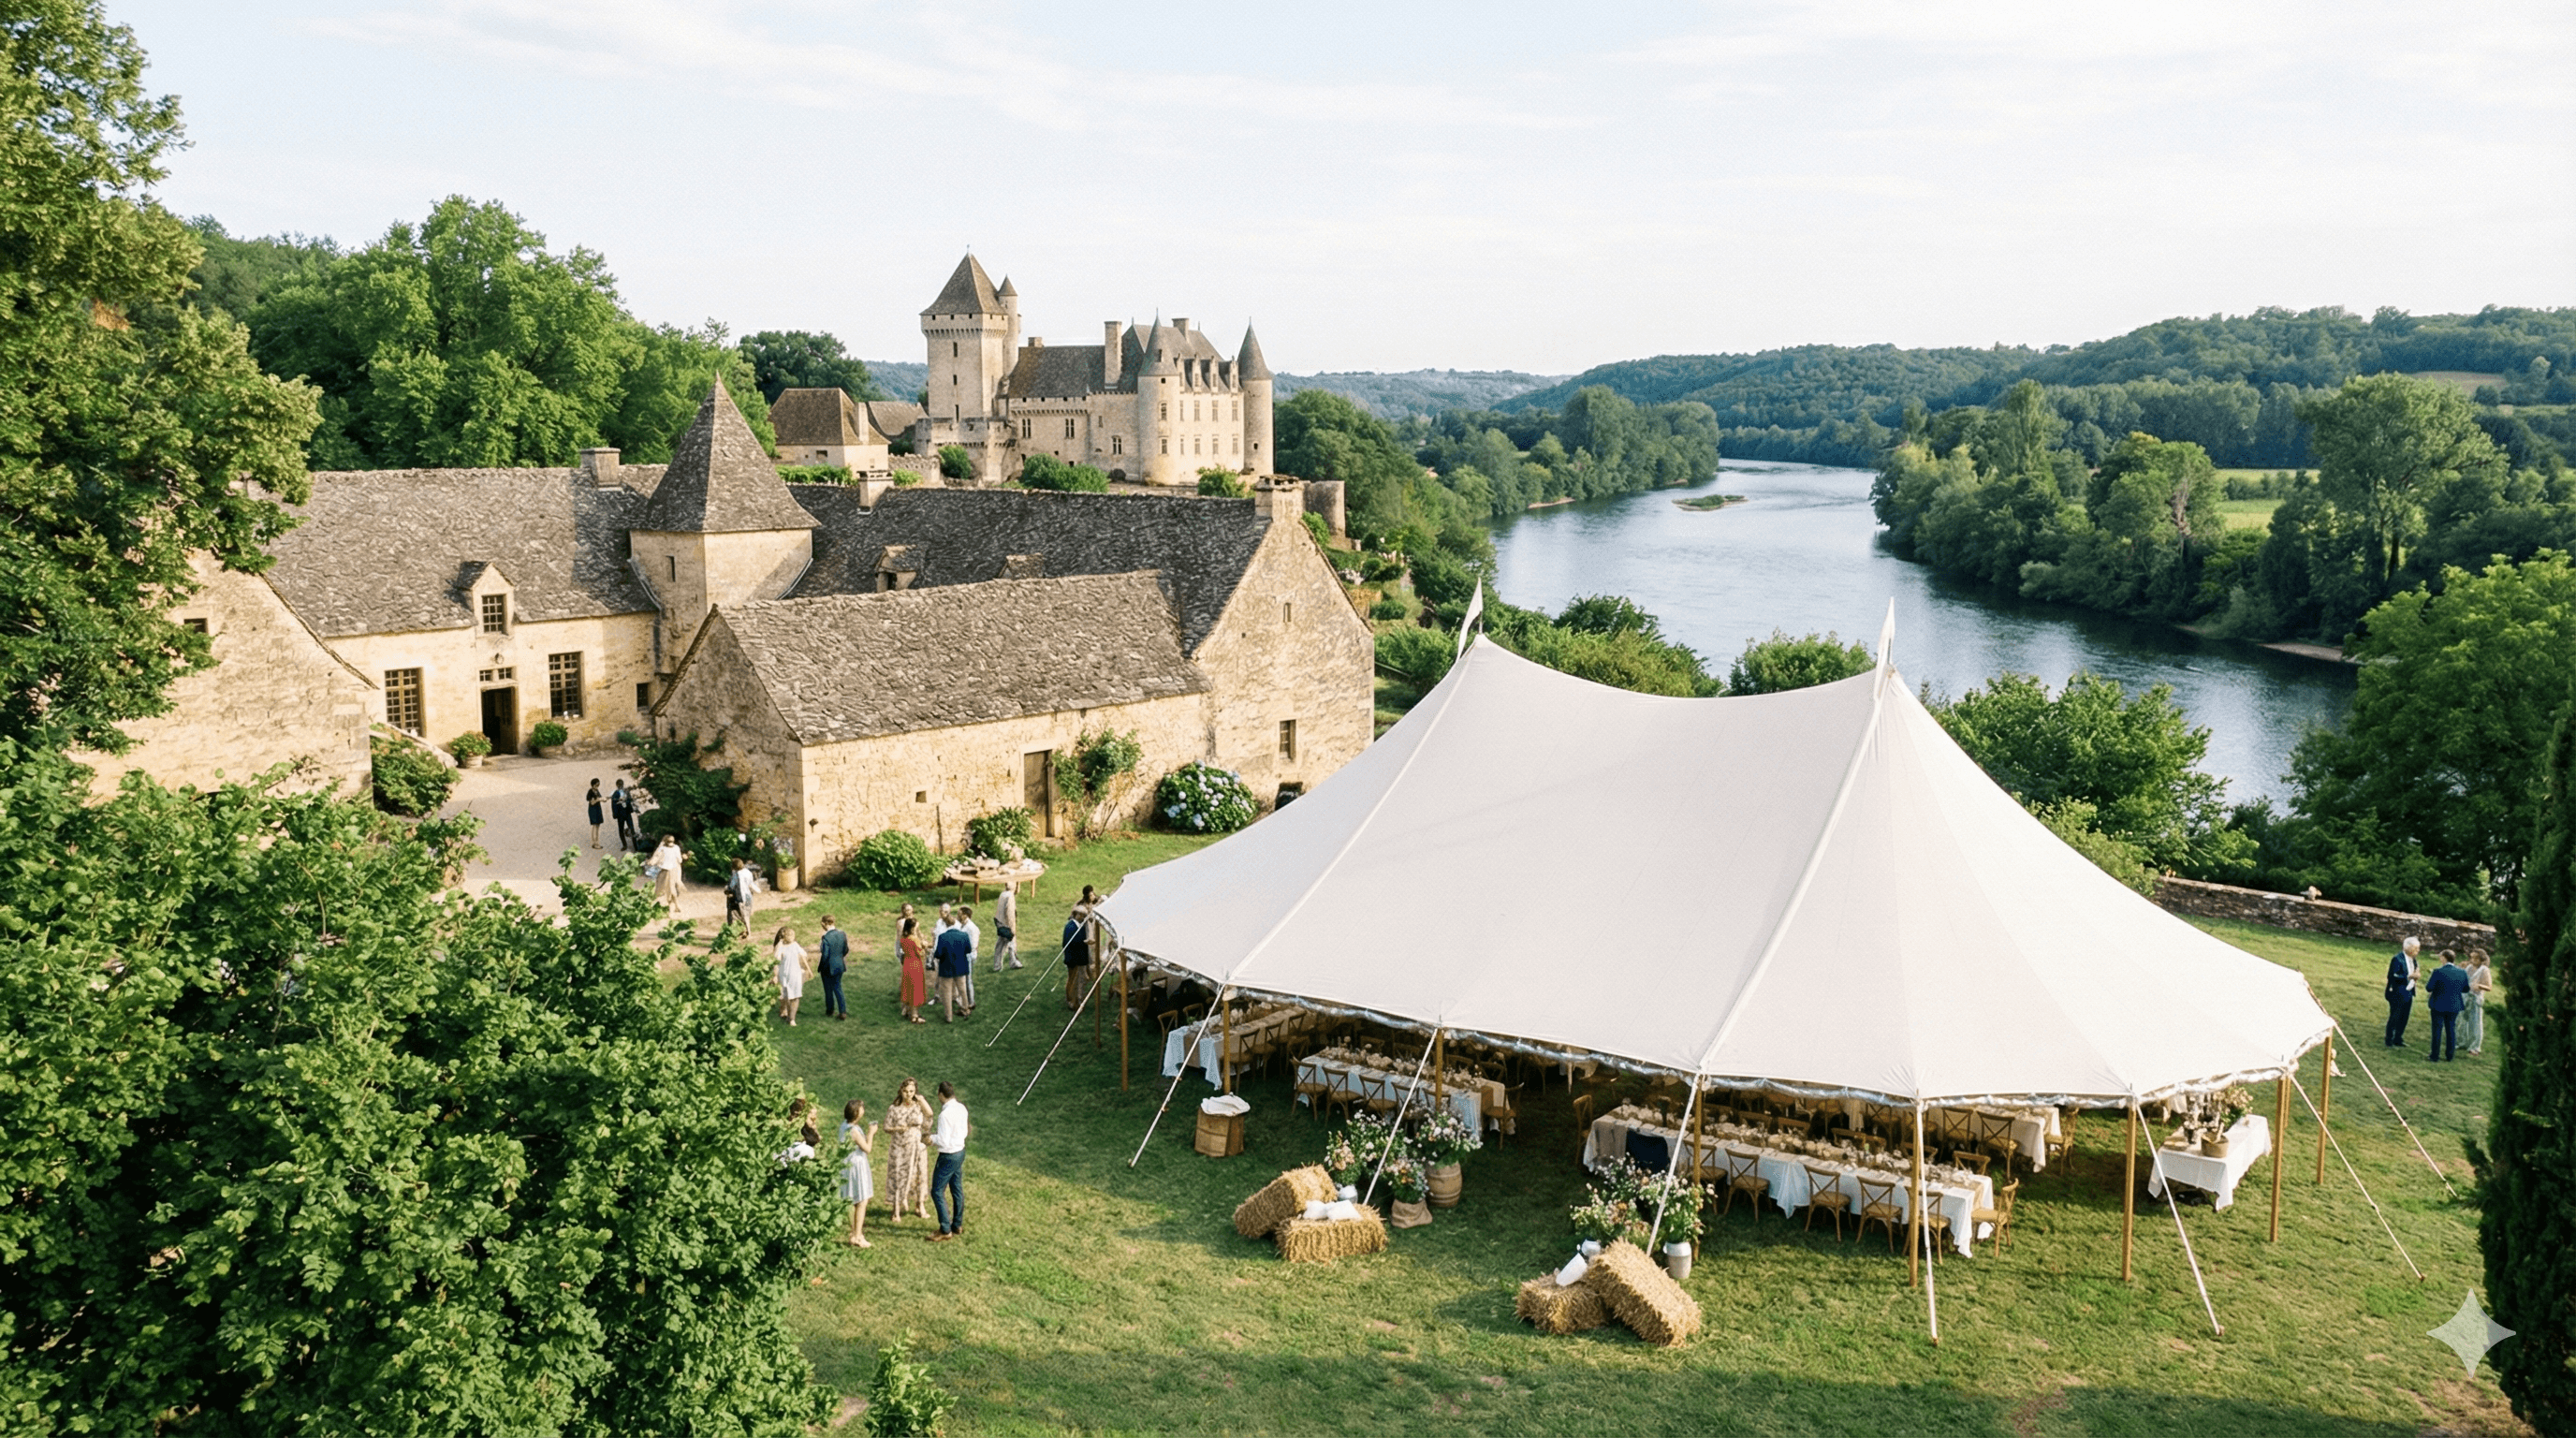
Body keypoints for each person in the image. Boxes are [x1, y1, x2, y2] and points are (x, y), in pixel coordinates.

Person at [884, 1078, 934, 1224]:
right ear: (901, 1091)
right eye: (905, 1091)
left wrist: (921, 1099)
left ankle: (920, 1205)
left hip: (917, 1145)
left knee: (920, 1174)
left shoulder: (919, 1106)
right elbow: (886, 1127)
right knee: (899, 1175)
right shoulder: (894, 1108)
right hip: (900, 1146)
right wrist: (897, 1129)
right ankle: (896, 1209)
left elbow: (929, 1115)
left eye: (911, 1091)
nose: (908, 1094)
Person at [929, 1080, 969, 1241]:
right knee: (956, 1188)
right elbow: (964, 1131)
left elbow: (943, 1141)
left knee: (937, 1191)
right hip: (960, 1152)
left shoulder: (944, 1115)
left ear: (941, 1094)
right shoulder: (961, 1108)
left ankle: (945, 1229)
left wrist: (929, 1138)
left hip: (948, 1156)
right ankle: (957, 1224)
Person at [840, 1100, 878, 1247]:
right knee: (862, 1201)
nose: (863, 1110)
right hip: (857, 1165)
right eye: (861, 1109)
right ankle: (857, 1236)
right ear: (856, 1114)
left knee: (855, 1200)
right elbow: (867, 1148)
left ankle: (855, 1232)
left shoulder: (845, 1125)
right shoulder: (854, 1131)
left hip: (849, 1164)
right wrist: (871, 1133)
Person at [2424, 949, 2469, 1062]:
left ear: (2444, 958)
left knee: (2437, 1030)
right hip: (2454, 1005)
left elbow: (2429, 987)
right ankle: (2450, 1056)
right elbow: (2466, 989)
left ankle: (2435, 1055)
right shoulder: (2462, 972)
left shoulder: (2438, 972)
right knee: (2451, 1029)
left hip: (2438, 1004)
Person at [933, 915, 973, 1022]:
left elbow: (938, 954)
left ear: (946, 925)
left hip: (946, 968)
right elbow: (969, 949)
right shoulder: (964, 935)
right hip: (961, 967)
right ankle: (965, 1009)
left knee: (947, 992)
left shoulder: (942, 937)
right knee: (962, 989)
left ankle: (949, 1016)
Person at [2383, 938, 2420, 1047]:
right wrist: (2409, 977)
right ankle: (2389, 1039)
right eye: (2415, 948)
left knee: (2405, 1016)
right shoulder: (2397, 959)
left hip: (2409, 992)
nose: (2418, 950)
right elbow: (2393, 976)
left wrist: (2416, 975)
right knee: (2395, 1016)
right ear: (2407, 947)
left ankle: (2398, 1038)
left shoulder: (2414, 960)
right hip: (2397, 992)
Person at [1061, 897, 1093, 1010]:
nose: (1083, 918)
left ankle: (1074, 1000)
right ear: (1077, 915)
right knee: (1072, 980)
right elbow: (1068, 942)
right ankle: (1071, 1001)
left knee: (1075, 980)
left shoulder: (1080, 926)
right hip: (1072, 958)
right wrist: (1084, 942)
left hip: (1078, 957)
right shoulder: (1070, 926)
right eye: (1082, 915)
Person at [817, 916, 850, 1021]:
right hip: (839, 964)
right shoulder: (842, 934)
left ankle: (830, 1010)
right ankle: (843, 1011)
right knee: (838, 987)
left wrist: (822, 966)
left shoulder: (826, 937)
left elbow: (825, 954)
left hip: (828, 966)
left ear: (824, 923)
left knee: (828, 989)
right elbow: (846, 949)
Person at [773, 926, 807, 1026]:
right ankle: (787, 1014)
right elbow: (776, 961)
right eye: (789, 935)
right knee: (787, 996)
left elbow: (803, 955)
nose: (791, 937)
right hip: (784, 974)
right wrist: (775, 975)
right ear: (784, 936)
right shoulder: (780, 946)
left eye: (793, 935)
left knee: (796, 996)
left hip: (795, 973)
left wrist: (806, 969)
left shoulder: (796, 945)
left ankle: (792, 1018)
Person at [898, 917, 929, 1023]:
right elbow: (921, 953)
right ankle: (915, 1016)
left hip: (907, 963)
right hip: (915, 964)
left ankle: (906, 1009)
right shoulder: (914, 939)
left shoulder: (903, 938)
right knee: (916, 989)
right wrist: (924, 946)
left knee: (908, 987)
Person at [2466, 948, 2493, 1055]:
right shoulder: (2469, 967)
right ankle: (2464, 1042)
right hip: (2466, 995)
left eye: (2476, 958)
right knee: (2464, 1021)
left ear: (2481, 959)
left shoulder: (2484, 969)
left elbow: (2489, 987)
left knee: (2476, 1022)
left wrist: (2480, 986)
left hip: (2476, 997)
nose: (2473, 960)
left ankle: (2476, 1047)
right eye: (2471, 957)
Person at [647, 834, 683, 910]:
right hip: (674, 871)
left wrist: (650, 862)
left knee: (663, 889)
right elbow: (680, 860)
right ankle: (675, 906)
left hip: (666, 871)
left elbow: (655, 858)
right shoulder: (676, 848)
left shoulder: (662, 849)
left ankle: (675, 906)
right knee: (670, 889)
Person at [956, 905, 981, 1010]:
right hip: (964, 956)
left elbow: (973, 945)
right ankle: (964, 1000)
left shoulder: (971, 928)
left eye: (959, 914)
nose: (957, 916)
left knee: (967, 980)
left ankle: (971, 1002)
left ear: (965, 915)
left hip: (968, 957)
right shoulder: (962, 925)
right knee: (963, 980)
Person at [994, 883, 1022, 971]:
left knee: (1000, 944)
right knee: (1011, 943)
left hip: (999, 922)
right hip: (1006, 924)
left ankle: (997, 965)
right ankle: (1013, 962)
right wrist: (1012, 928)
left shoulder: (1003, 894)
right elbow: (1010, 913)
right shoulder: (1010, 896)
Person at [724, 857, 755, 932]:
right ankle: (748, 932)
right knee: (746, 917)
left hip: (738, 899)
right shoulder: (748, 872)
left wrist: (726, 891)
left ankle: (736, 933)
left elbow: (731, 888)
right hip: (748, 898)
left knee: (734, 916)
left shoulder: (736, 875)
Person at [610, 779, 637, 851]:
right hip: (620, 814)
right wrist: (615, 814)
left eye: (621, 785)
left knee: (631, 828)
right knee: (621, 829)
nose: (620, 787)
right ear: (617, 786)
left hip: (627, 812)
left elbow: (630, 800)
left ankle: (635, 845)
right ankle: (625, 845)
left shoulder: (626, 792)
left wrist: (626, 802)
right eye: (619, 786)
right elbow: (613, 805)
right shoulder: (615, 794)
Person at [584, 780, 606, 850]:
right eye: (596, 785)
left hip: (597, 809)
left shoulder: (596, 791)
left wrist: (602, 799)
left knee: (597, 825)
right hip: (593, 810)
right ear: (592, 785)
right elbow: (592, 802)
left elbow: (599, 798)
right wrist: (599, 800)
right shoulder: (590, 792)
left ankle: (596, 842)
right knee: (595, 825)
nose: (597, 787)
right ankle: (595, 843)